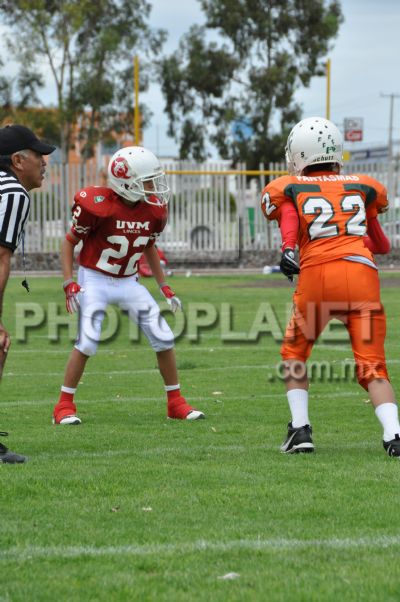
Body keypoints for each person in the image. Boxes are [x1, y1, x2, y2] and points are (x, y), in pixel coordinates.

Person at [261, 116, 399, 457]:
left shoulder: (289, 186)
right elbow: (382, 246)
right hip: (362, 275)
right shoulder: (362, 185)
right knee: (373, 366)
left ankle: (300, 430)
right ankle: (394, 434)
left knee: (294, 353)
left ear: (299, 154)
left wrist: (288, 248)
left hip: (318, 274)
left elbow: (288, 212)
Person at [52, 145, 205, 425]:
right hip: (95, 278)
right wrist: (68, 282)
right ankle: (63, 405)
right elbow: (68, 242)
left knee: (163, 336)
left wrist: (163, 286)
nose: (153, 187)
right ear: (126, 181)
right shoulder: (97, 204)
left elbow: (149, 247)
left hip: (128, 281)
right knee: (87, 341)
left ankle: (175, 403)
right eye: (147, 181)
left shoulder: (153, 210)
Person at [0, 124, 55, 463]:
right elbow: (0, 258)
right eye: (38, 156)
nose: (44, 163)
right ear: (18, 161)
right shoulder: (13, 192)